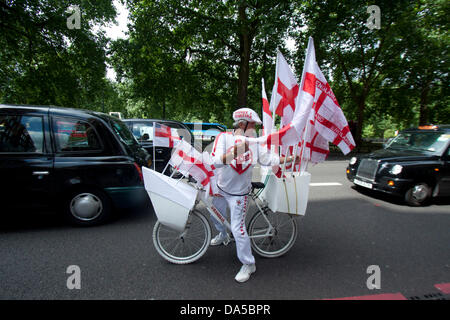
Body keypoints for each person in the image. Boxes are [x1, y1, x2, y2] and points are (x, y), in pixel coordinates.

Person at [210, 107, 297, 282]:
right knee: (214, 213)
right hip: (221, 189)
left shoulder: (255, 143)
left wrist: (288, 159)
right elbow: (215, 162)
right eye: (253, 125)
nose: (255, 129)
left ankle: (249, 264)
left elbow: (268, 159)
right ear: (242, 124)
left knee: (238, 228)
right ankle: (222, 235)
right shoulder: (224, 138)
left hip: (239, 194)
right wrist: (235, 152)